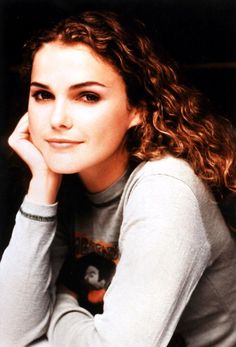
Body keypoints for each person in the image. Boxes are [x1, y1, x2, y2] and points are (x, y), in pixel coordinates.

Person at [0, 10, 236, 347]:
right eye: (43, 95)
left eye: (88, 96)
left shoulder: (165, 190)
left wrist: (58, 303)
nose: (57, 119)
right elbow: (10, 334)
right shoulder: (64, 182)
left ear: (137, 109)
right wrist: (41, 188)